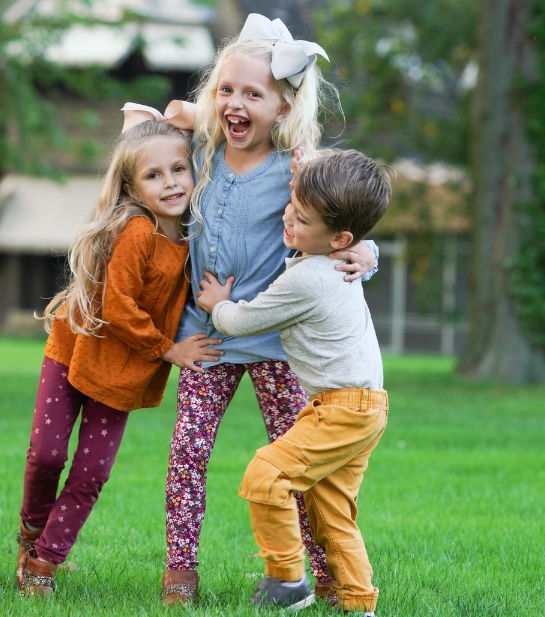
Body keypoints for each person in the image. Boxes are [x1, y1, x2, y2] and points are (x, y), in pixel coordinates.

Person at [159, 13, 380, 605]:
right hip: (207, 337)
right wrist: (169, 116)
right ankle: (180, 570)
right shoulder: (198, 155)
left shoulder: (297, 170)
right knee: (187, 457)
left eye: (252, 93)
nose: (234, 102)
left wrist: (366, 251)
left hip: (278, 346)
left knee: (298, 471)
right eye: (225, 90)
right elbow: (158, 146)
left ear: (282, 107)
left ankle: (321, 574)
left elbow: (345, 216)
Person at [14, 114, 224, 596]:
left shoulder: (196, 236)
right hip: (75, 349)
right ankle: (30, 532)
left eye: (178, 169)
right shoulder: (136, 231)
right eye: (154, 175)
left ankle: (44, 563)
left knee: (91, 473)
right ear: (131, 187)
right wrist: (168, 349)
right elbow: (117, 307)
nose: (170, 182)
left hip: (123, 374)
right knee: (46, 456)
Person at [196, 149, 391, 614]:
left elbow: (241, 323)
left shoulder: (308, 279)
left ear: (340, 237)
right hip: (363, 406)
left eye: (301, 219)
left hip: (343, 408)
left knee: (267, 475)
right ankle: (359, 602)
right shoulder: (343, 255)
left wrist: (217, 304)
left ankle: (287, 579)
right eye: (291, 204)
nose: (288, 219)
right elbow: (320, 204)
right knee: (331, 512)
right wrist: (304, 173)